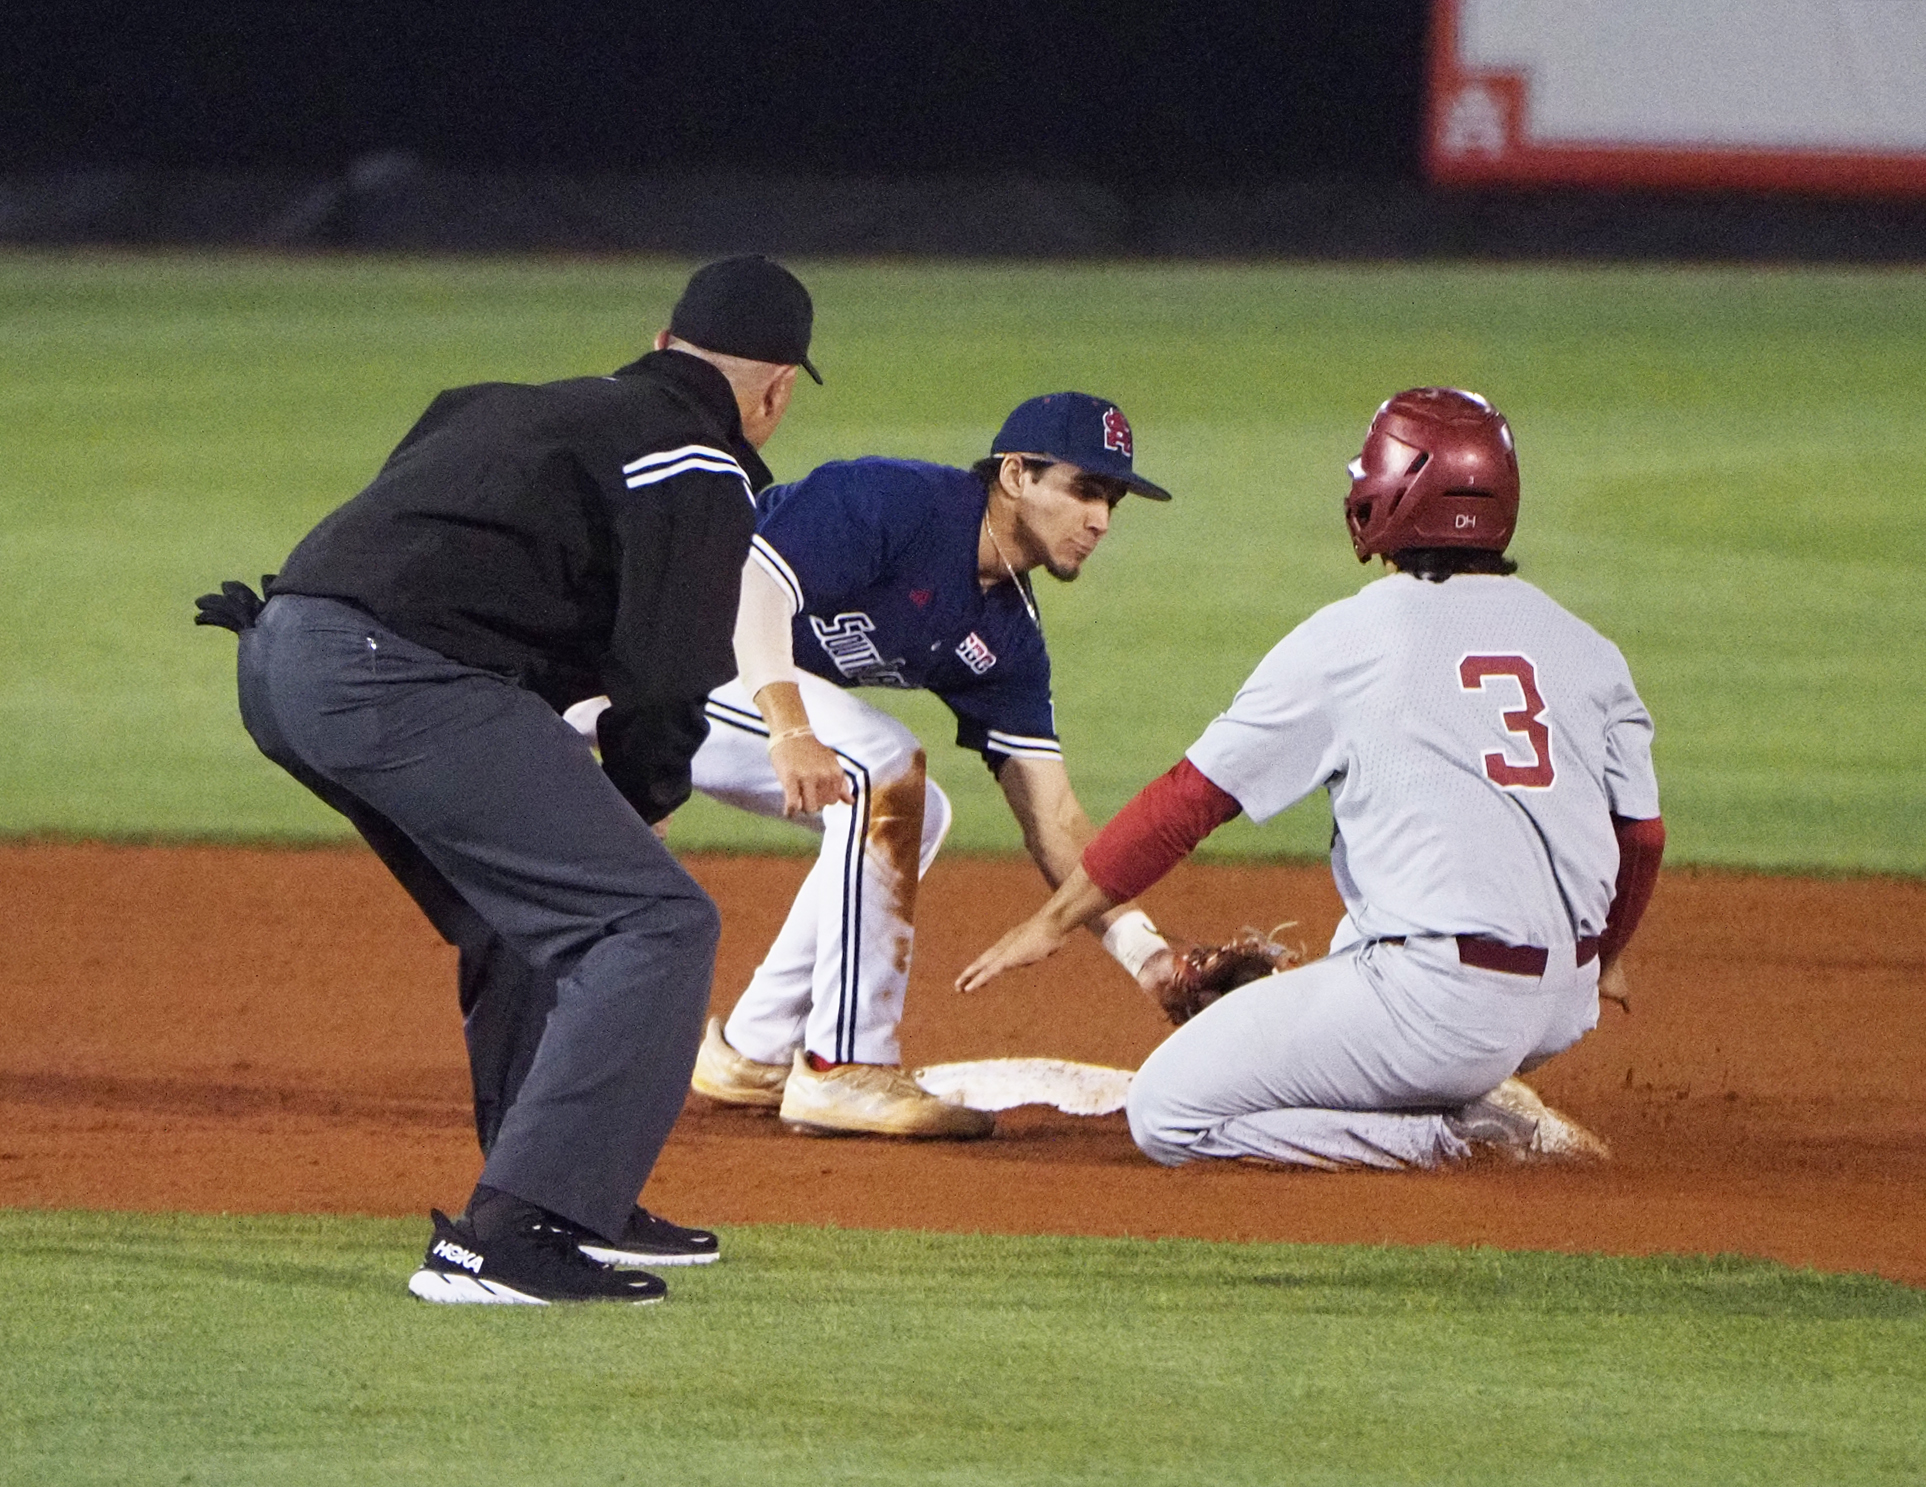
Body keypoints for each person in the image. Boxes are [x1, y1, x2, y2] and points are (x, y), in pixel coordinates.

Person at [194, 256, 818, 1302]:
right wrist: (637, 802)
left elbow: (418, 525)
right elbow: (667, 680)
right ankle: (514, 1227)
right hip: (394, 675)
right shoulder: (702, 462)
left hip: (281, 654)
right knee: (655, 922)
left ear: (661, 345)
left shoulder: (515, 406)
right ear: (776, 392)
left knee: (520, 914)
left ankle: (567, 1193)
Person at [959, 387, 1666, 1170]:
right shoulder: (1588, 648)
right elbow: (1640, 836)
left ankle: (1438, 1136)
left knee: (1168, 1112)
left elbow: (1191, 801)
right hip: (1563, 1002)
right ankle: (1446, 1079)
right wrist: (1606, 956)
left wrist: (1052, 923)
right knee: (1361, 929)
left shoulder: (1352, 638)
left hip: (1440, 1009)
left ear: (1389, 495)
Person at [601, 392, 1181, 1137]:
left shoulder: (1006, 633)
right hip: (634, 649)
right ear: (1015, 474)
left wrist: (1149, 956)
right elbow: (751, 586)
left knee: (916, 808)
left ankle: (753, 1047)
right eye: (1084, 489)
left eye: (1113, 499)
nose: (1101, 518)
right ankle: (846, 1066)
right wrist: (788, 730)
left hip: (710, 693)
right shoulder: (893, 501)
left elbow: (1055, 818)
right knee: (880, 762)